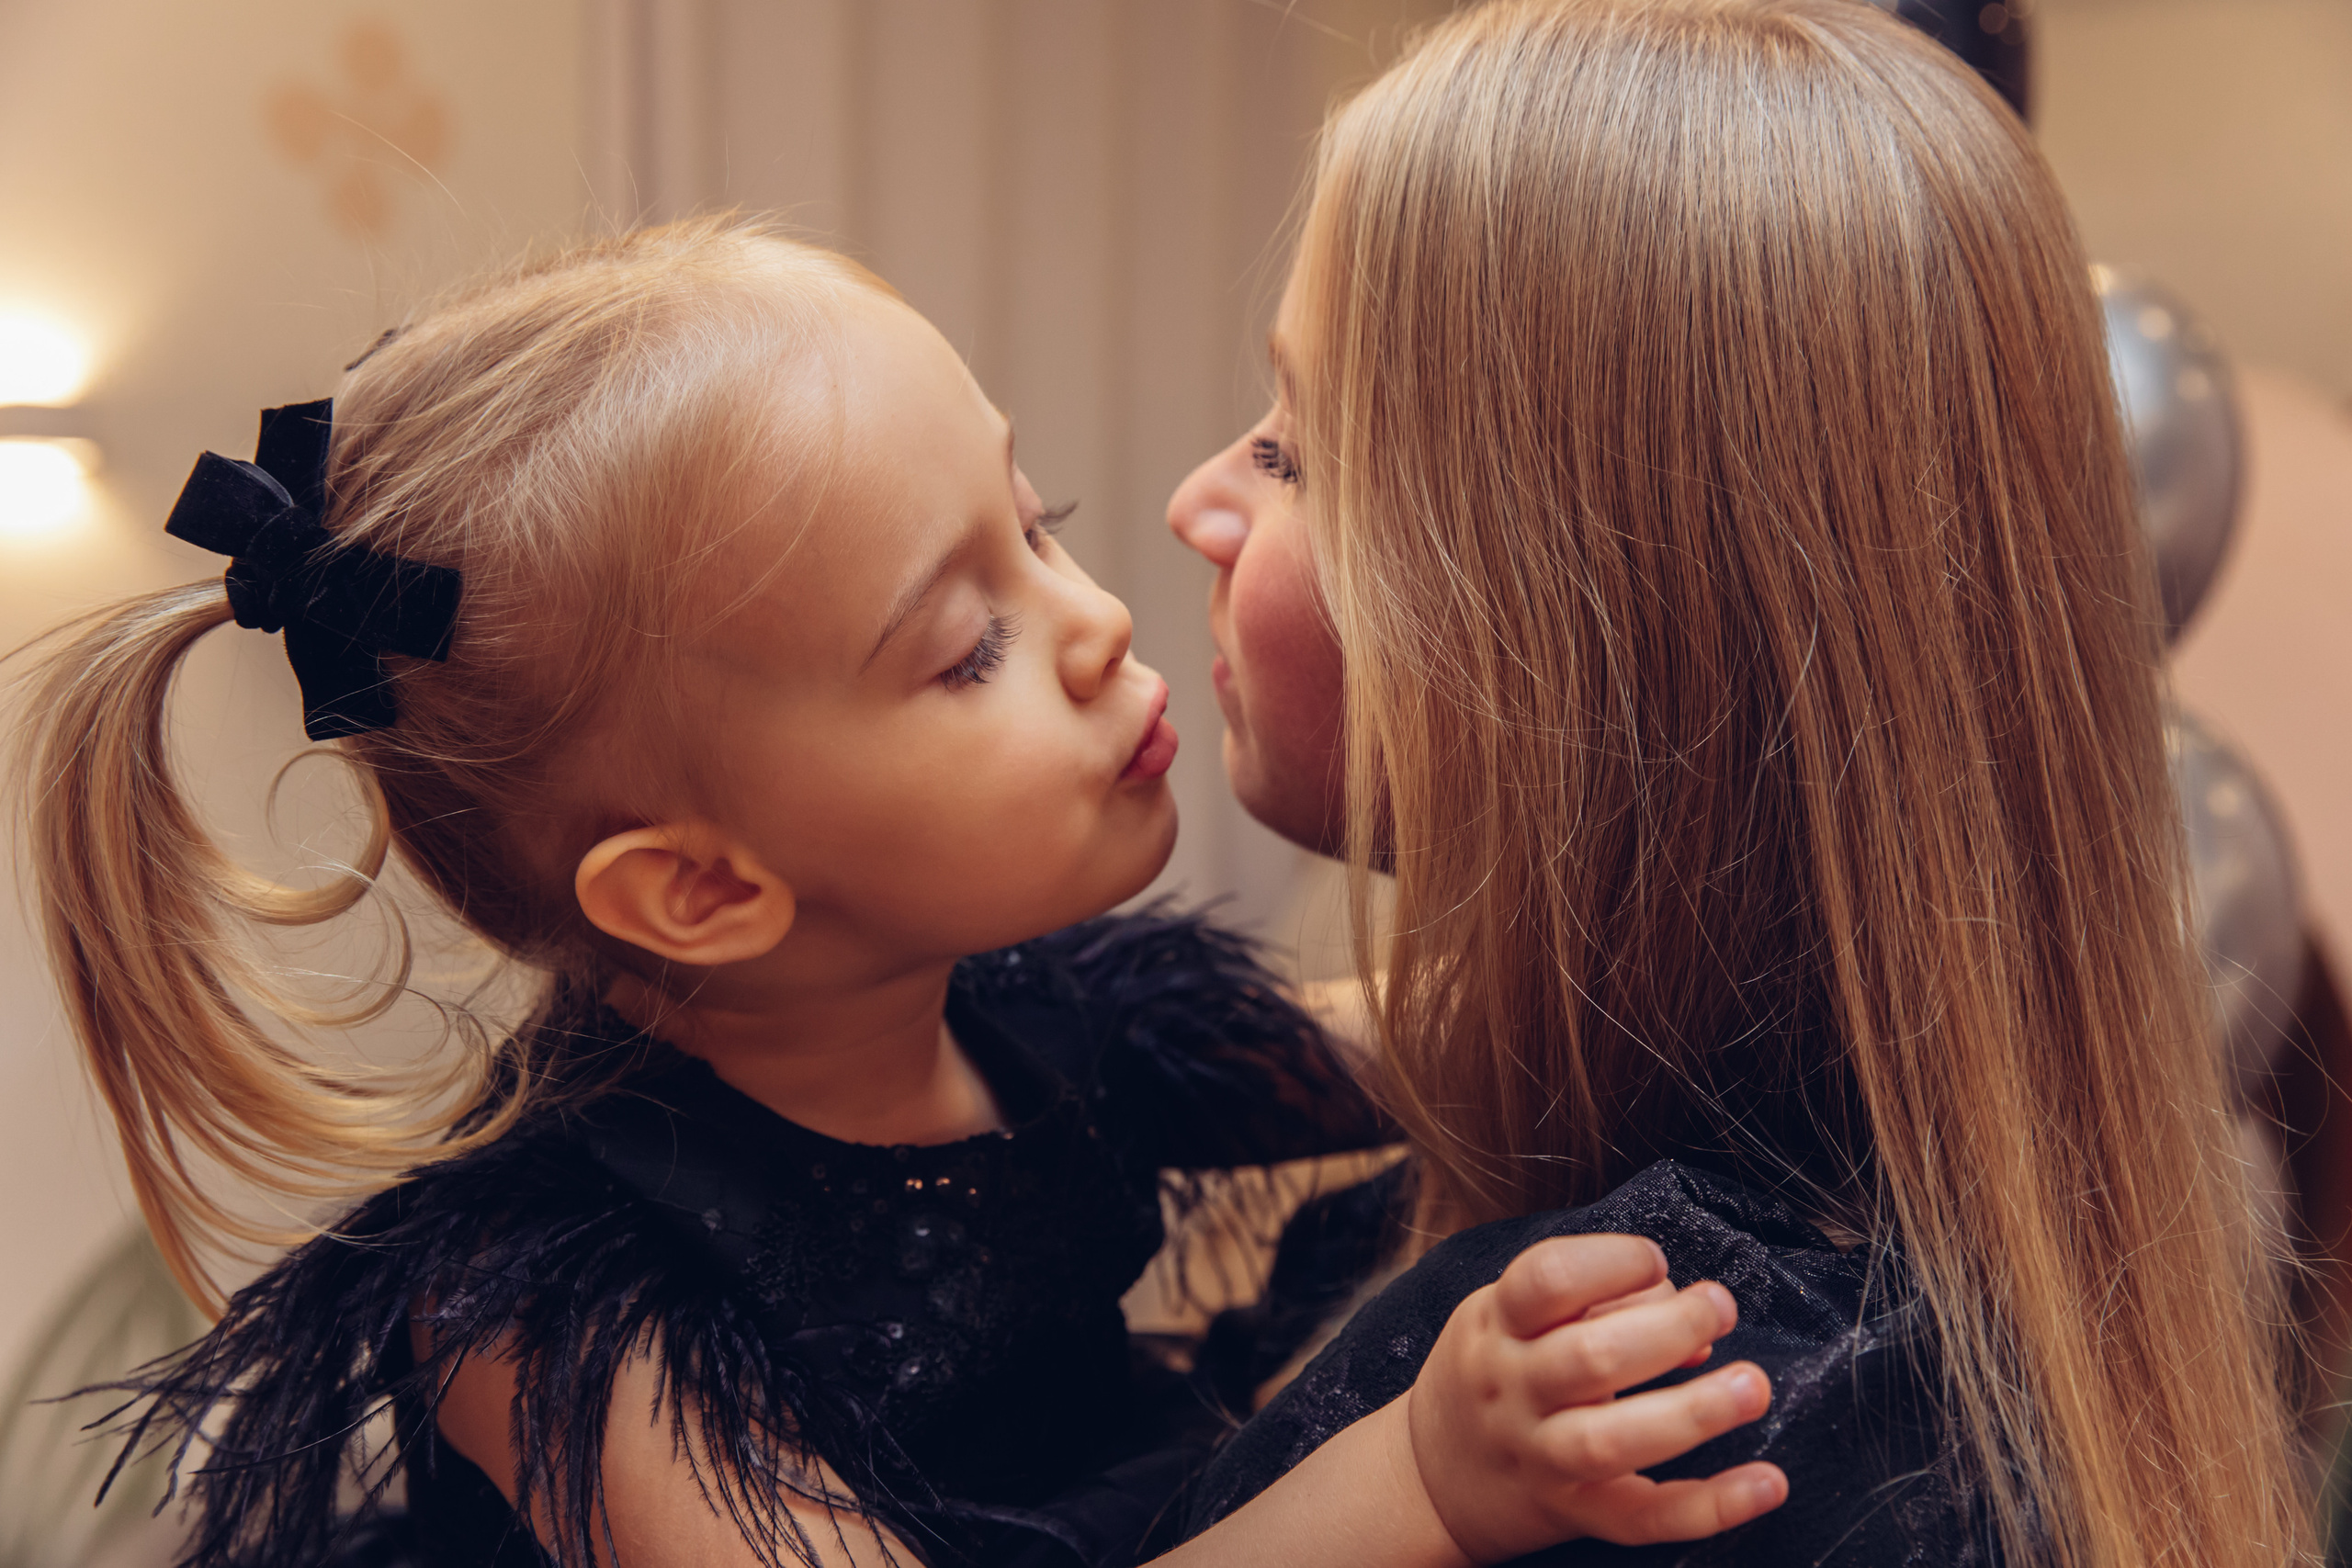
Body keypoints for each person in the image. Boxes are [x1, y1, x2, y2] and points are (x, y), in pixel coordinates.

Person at [19, 220, 1790, 1568]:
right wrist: (1421, 1479)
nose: (1098, 617)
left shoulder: (1041, 1017)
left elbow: (1459, 1043)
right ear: (704, 887)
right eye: (967, 651)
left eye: (1042, 522)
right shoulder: (551, 1310)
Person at [1166, 2, 2309, 1564]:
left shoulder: (1636, 1404)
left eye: (1293, 451)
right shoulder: (1920, 1311)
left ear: (1560, 632)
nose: (1195, 506)